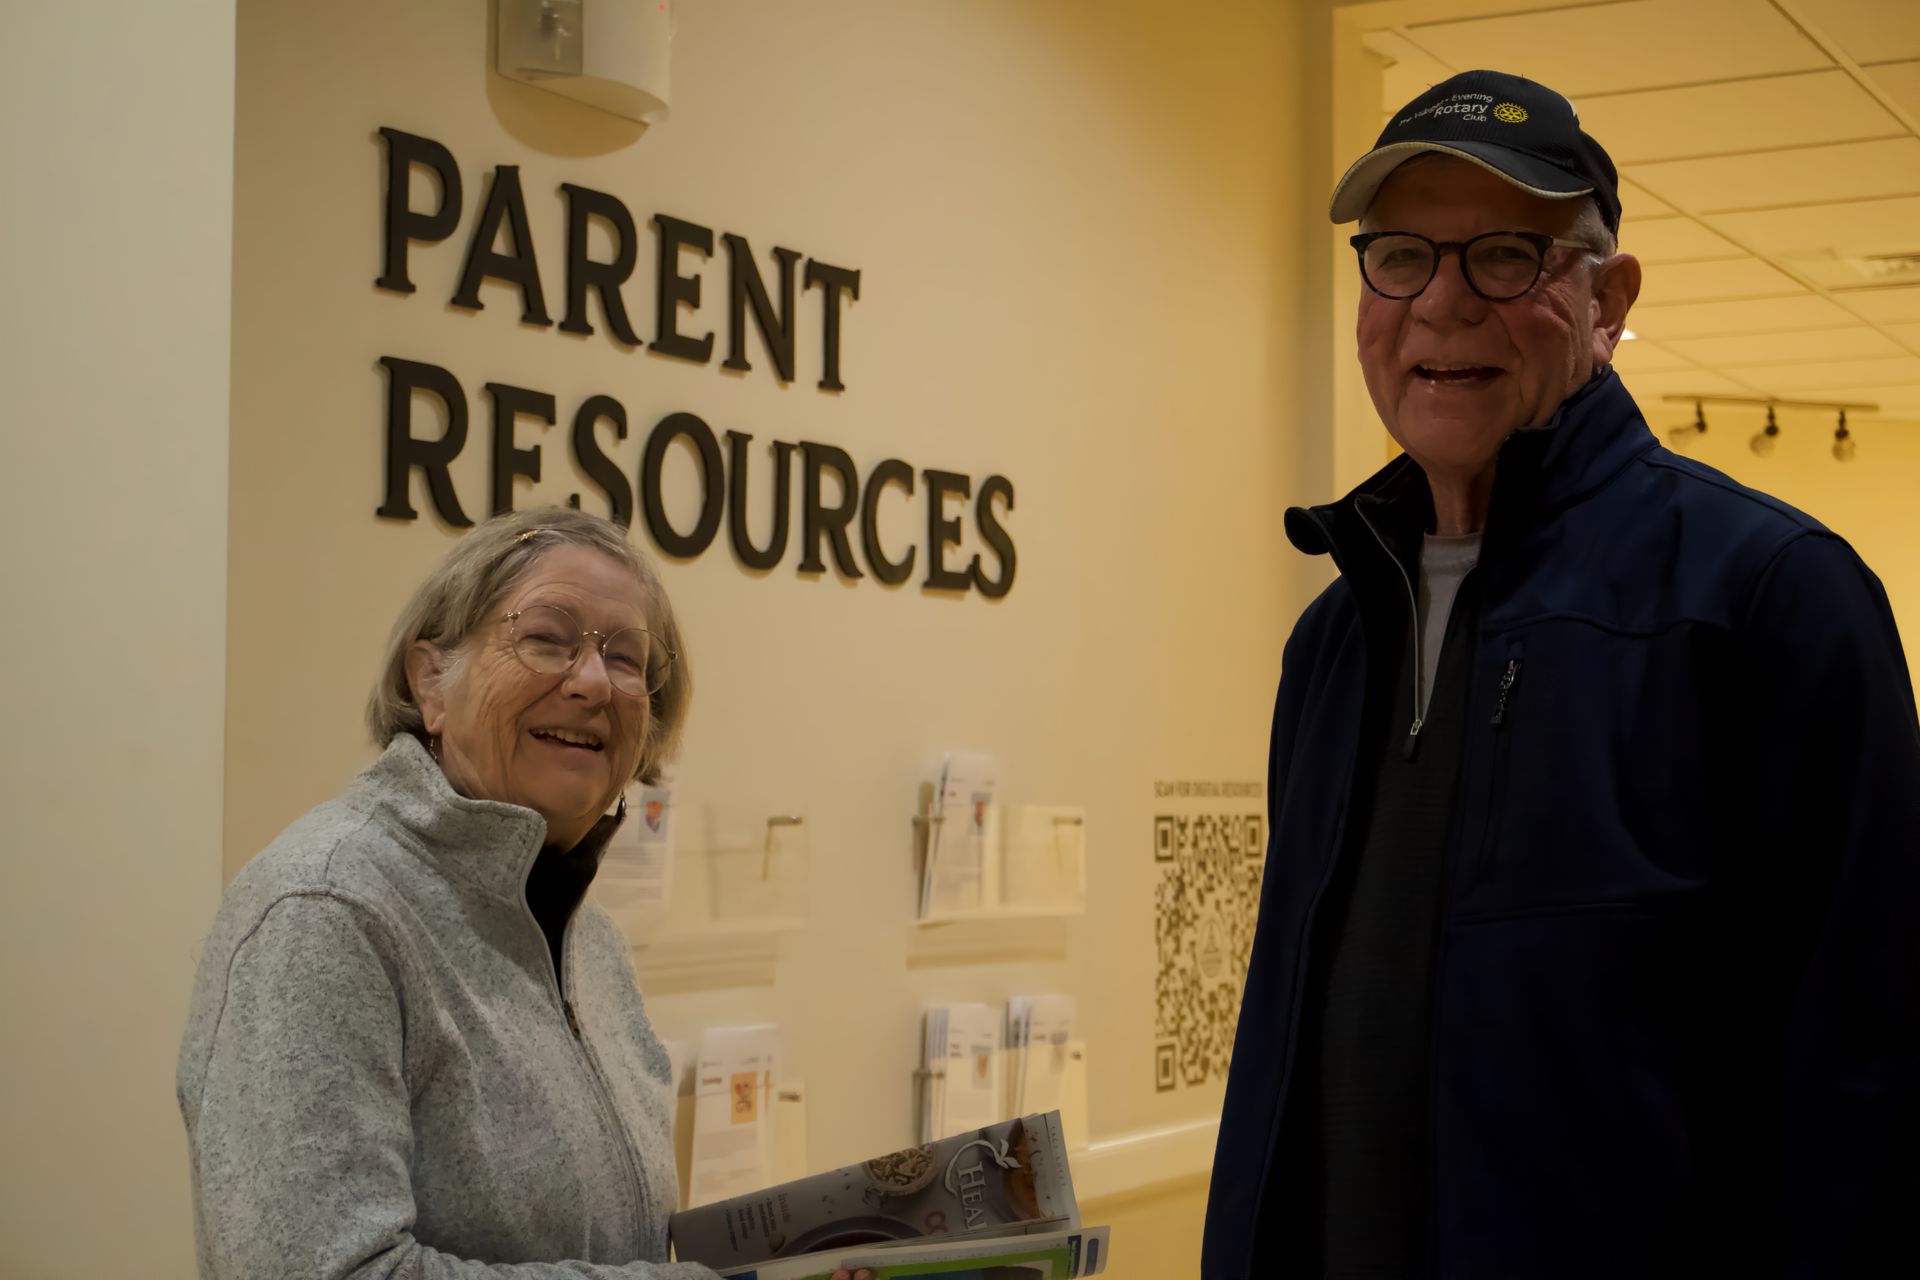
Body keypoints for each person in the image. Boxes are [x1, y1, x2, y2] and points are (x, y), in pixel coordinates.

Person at [1202, 69, 1920, 1277]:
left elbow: (1868, 1090)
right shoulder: (1334, 637)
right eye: (1398, 256)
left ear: (1608, 297)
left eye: (1502, 255)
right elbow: (1292, 1051)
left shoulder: (1768, 598)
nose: (1438, 304)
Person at [178, 508, 872, 1280]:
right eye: (546, 638)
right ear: (430, 680)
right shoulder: (325, 910)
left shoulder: (584, 933)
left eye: (627, 658)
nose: (592, 682)